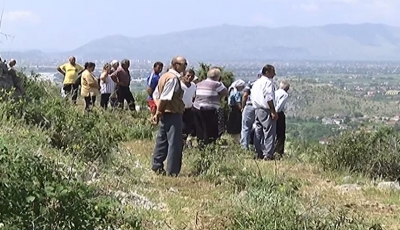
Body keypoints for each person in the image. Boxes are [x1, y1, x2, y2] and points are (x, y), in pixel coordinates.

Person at [151, 56, 187, 177]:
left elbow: (156, 95)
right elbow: (165, 97)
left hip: (165, 113)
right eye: (184, 64)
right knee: (174, 143)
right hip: (172, 113)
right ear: (176, 65)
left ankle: (157, 165)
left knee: (162, 140)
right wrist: (159, 111)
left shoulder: (164, 76)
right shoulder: (172, 79)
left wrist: (159, 111)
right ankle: (172, 172)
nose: (185, 66)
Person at [192, 67, 228, 146]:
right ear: (218, 76)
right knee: (210, 129)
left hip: (197, 108)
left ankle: (201, 144)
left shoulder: (200, 83)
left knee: (200, 128)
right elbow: (225, 92)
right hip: (210, 109)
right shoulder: (217, 84)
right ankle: (210, 145)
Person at [251, 64, 278, 160]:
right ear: (267, 72)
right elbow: (268, 97)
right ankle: (268, 154)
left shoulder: (256, 83)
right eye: (273, 72)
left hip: (257, 109)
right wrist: (273, 110)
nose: (274, 74)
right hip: (265, 109)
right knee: (269, 131)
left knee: (258, 131)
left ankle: (258, 152)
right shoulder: (268, 83)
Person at [240, 70, 262, 150]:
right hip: (260, 107)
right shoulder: (266, 84)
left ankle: (244, 147)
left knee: (246, 127)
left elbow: (245, 95)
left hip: (249, 106)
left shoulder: (251, 83)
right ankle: (258, 147)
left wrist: (243, 106)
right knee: (259, 128)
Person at [180, 69, 197, 147]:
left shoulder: (193, 86)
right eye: (188, 76)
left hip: (189, 109)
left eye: (192, 76)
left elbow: (193, 97)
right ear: (183, 76)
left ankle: (185, 143)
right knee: (181, 128)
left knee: (188, 127)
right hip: (180, 110)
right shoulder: (180, 85)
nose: (190, 78)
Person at [274, 80, 290, 158]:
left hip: (271, 112)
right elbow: (279, 106)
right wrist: (276, 112)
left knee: (273, 132)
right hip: (278, 114)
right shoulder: (284, 94)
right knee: (281, 135)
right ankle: (278, 152)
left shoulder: (275, 92)